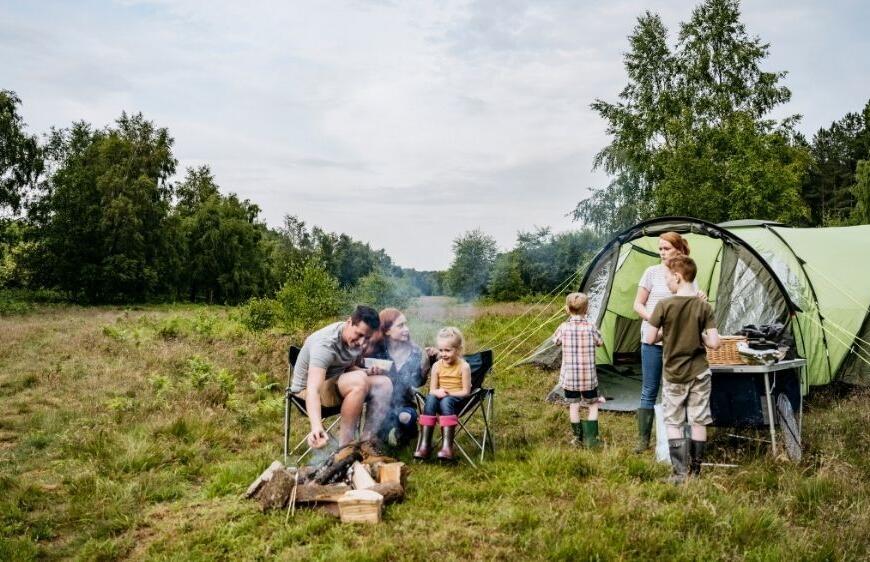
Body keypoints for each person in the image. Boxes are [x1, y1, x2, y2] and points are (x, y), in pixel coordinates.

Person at [644, 255, 720, 483]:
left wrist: (664, 333)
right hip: (700, 372)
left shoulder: (664, 305)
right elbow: (715, 343)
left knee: (674, 421)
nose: (666, 282)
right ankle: (696, 473)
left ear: (677, 277)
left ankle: (679, 474)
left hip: (674, 374)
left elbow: (649, 339)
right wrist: (700, 336)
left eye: (667, 278)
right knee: (698, 420)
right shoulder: (703, 306)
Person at [632, 232, 703, 453]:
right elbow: (638, 305)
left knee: (675, 389)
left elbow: (691, 304)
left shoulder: (685, 273)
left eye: (666, 248)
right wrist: (656, 321)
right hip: (652, 338)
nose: (662, 253)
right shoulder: (651, 273)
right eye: (660, 249)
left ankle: (674, 441)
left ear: (679, 250)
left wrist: (700, 300)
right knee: (650, 388)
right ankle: (643, 441)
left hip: (678, 343)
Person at [289, 305, 393, 449]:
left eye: (367, 338)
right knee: (359, 382)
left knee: (384, 383)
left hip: (337, 382)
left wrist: (368, 371)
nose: (362, 342)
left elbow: (349, 368)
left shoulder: (353, 340)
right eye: (359, 335)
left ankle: (367, 443)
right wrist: (316, 427)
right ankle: (345, 448)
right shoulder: (326, 345)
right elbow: (313, 390)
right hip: (306, 392)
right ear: (349, 322)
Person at [363, 308, 430, 447]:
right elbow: (363, 373)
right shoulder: (377, 350)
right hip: (380, 406)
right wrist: (370, 372)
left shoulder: (415, 351)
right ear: (387, 330)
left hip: (405, 405)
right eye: (400, 326)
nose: (406, 329)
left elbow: (417, 382)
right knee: (381, 436)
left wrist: (427, 366)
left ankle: (404, 433)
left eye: (406, 324)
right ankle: (386, 435)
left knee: (405, 417)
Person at [553, 292, 606, 448]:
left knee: (574, 406)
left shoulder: (563, 327)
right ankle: (592, 439)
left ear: (568, 310)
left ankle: (577, 438)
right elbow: (600, 343)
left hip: (570, 378)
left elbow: (555, 341)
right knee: (593, 405)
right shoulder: (591, 327)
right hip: (588, 378)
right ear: (587, 309)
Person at [414, 327, 471, 461]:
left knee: (446, 400)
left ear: (458, 350)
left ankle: (447, 447)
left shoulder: (464, 367)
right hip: (439, 400)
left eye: (448, 350)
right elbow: (432, 390)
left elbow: (466, 391)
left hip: (457, 401)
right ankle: (425, 445)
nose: (443, 354)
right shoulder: (436, 366)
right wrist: (438, 392)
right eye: (441, 350)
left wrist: (448, 393)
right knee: (431, 398)